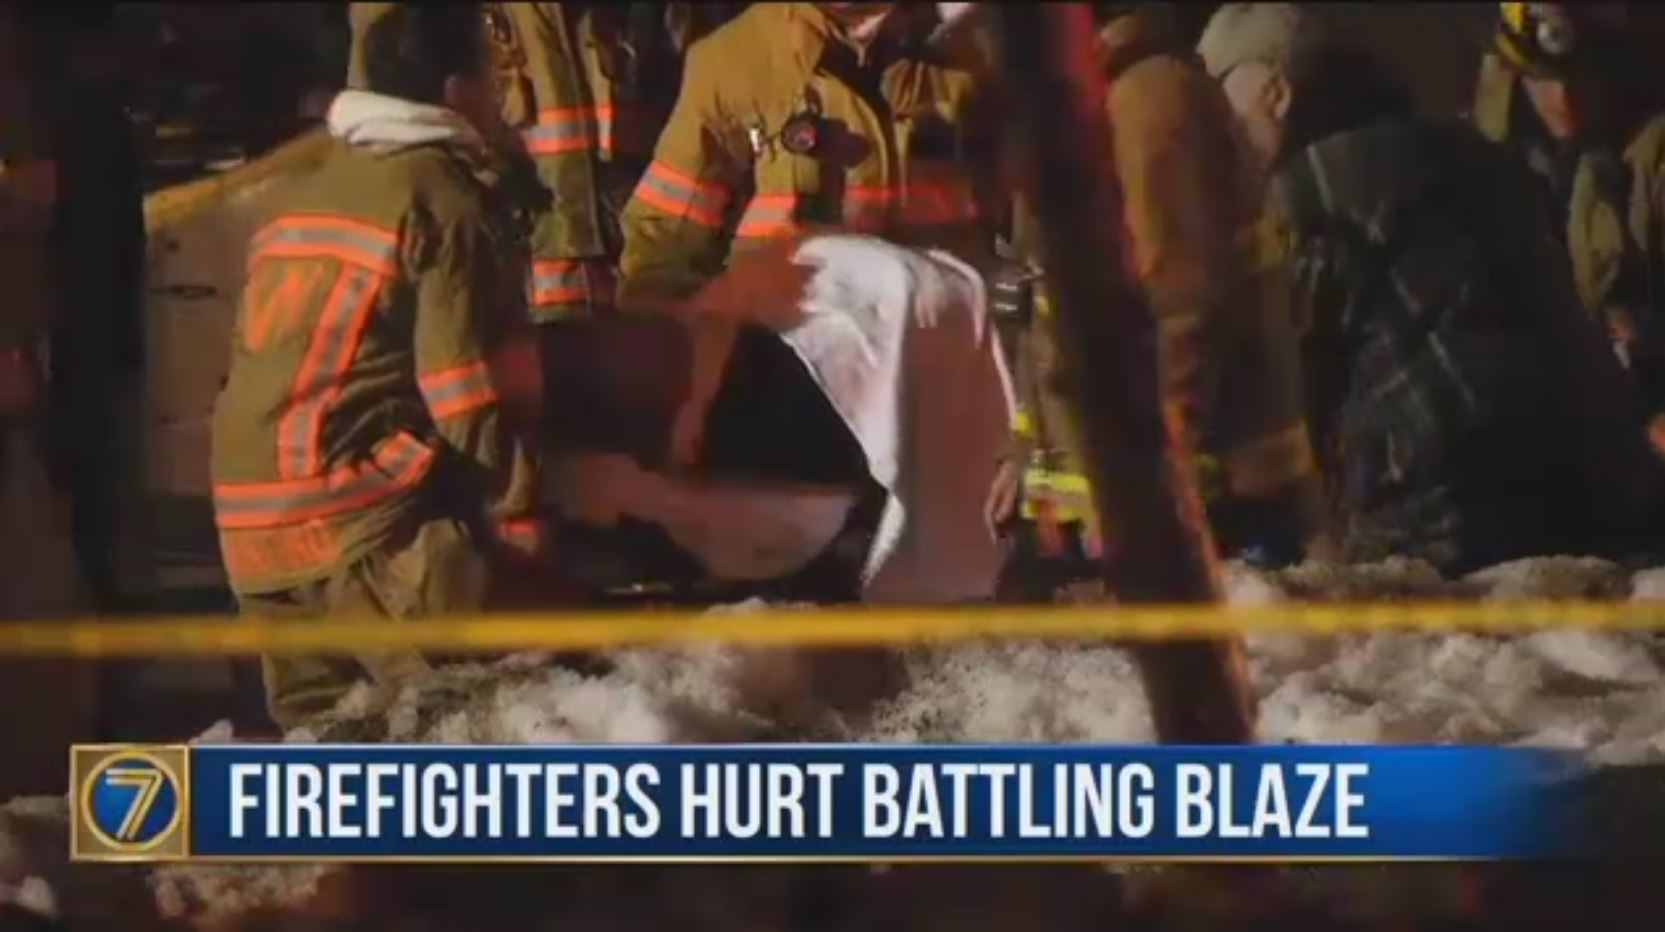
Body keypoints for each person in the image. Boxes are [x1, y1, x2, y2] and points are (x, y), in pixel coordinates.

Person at [1199, 3, 1665, 572]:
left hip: (1448, 536)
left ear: (1276, 93)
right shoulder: (1479, 157)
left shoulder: (1308, 197)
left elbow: (1272, 406)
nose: (1216, 137)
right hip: (1609, 515)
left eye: (1221, 105)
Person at [211, 5, 550, 729]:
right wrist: (517, 521)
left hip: (249, 528)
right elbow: (463, 395)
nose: (502, 96)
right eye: (494, 79)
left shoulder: (309, 185)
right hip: (363, 528)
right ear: (459, 91)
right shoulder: (440, 195)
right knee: (472, 723)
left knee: (325, 759)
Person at [991, 3, 1321, 588]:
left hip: (1209, 508)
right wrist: (1026, 455)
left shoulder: (1149, 104)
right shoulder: (1076, 105)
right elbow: (1047, 304)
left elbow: (1177, 315)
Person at [615, 2, 1005, 473]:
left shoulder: (985, 51)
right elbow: (663, 245)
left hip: (951, 397)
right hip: (789, 411)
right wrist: (674, 396)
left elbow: (1049, 242)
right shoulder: (736, 58)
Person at [1473, 3, 1665, 424]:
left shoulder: (1652, 156)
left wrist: (1645, 335)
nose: (1564, 99)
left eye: (1582, 78)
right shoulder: (1482, 162)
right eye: (1545, 81)